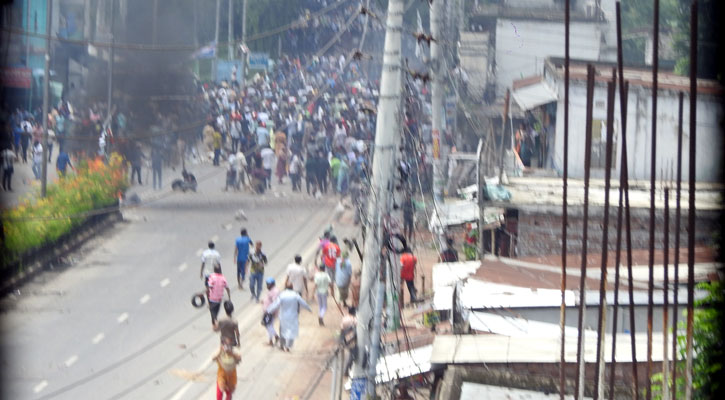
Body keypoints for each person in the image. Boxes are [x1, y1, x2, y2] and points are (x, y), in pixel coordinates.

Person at [267, 282, 312, 352]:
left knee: (282, 330)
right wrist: (309, 309)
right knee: (291, 331)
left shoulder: (282, 295)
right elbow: (303, 303)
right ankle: (288, 347)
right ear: (292, 288)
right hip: (293, 316)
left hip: (283, 316)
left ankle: (282, 345)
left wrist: (268, 310)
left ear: (286, 288)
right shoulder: (295, 295)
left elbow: (276, 304)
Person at [262, 277, 280, 345]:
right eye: (267, 284)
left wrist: (270, 312)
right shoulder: (271, 290)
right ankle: (271, 341)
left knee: (268, 325)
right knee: (269, 325)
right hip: (268, 311)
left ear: (272, 284)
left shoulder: (275, 291)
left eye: (268, 284)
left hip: (270, 312)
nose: (267, 285)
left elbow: (275, 303)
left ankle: (276, 337)